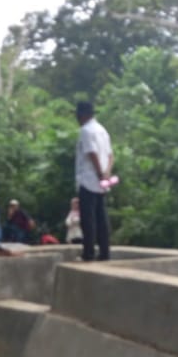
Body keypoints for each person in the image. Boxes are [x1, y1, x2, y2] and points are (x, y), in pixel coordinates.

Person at [74, 100, 114, 262]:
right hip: (102, 181)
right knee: (101, 218)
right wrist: (107, 173)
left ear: (82, 115)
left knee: (88, 219)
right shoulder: (102, 130)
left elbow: (92, 153)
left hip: (89, 179)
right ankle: (104, 252)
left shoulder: (86, 130)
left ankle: (88, 253)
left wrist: (99, 173)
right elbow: (110, 155)